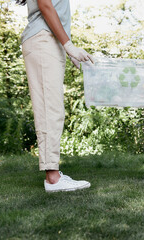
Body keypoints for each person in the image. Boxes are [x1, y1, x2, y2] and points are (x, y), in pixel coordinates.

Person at [17, 0, 93, 192]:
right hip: (44, 39)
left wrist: (69, 50)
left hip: (49, 41)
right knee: (49, 109)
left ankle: (54, 174)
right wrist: (69, 45)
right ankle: (53, 178)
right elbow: (45, 5)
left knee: (52, 108)